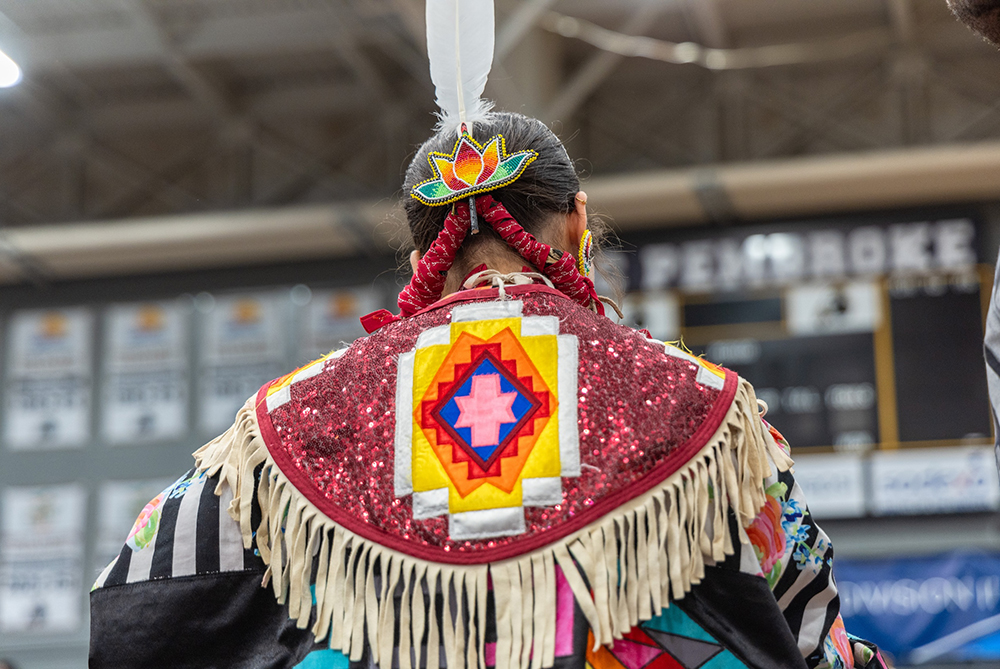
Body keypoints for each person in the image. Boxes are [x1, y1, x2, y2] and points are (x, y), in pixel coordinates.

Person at [90, 3, 888, 668]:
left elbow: (143, 608)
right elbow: (812, 635)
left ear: (420, 257)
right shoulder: (711, 414)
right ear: (578, 223)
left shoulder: (278, 436)